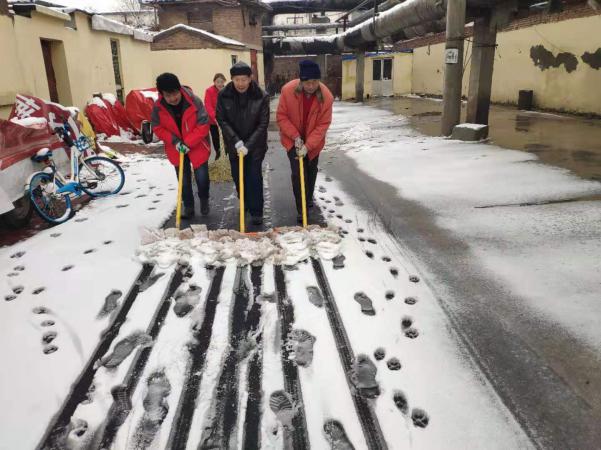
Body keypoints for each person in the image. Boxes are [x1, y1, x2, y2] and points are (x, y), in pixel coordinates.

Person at [276, 60, 334, 223]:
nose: (311, 86)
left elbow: (323, 124)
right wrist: (295, 137)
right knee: (298, 173)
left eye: (314, 82)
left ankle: (308, 198)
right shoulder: (288, 91)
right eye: (307, 82)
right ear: (301, 81)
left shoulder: (326, 97)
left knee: (310, 170)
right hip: (292, 139)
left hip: (313, 142)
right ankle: (302, 209)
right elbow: (281, 116)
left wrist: (308, 146)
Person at [216, 61, 270, 225]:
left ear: (250, 78)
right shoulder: (224, 95)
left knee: (254, 176)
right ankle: (245, 200)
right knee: (238, 176)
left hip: (256, 145)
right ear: (232, 79)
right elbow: (221, 119)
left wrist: (248, 145)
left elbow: (263, 123)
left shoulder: (261, 96)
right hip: (234, 145)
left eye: (244, 79)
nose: (241, 83)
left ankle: (256, 211)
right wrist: (237, 142)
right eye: (237, 79)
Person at [151, 73, 211, 218]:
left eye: (174, 94)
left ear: (179, 89)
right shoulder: (158, 108)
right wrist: (175, 142)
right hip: (176, 149)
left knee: (202, 179)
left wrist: (188, 142)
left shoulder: (194, 101)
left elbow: (203, 124)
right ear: (162, 94)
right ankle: (189, 207)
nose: (172, 99)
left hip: (197, 146)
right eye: (168, 95)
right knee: (183, 180)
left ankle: (204, 200)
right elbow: (157, 127)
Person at [204, 73, 226, 160]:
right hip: (213, 122)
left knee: (226, 140)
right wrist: (215, 117)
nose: (220, 84)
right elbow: (208, 106)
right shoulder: (209, 91)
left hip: (224, 121)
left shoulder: (227, 90)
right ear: (214, 82)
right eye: (218, 82)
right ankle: (218, 155)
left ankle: (226, 155)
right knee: (216, 140)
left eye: (221, 82)